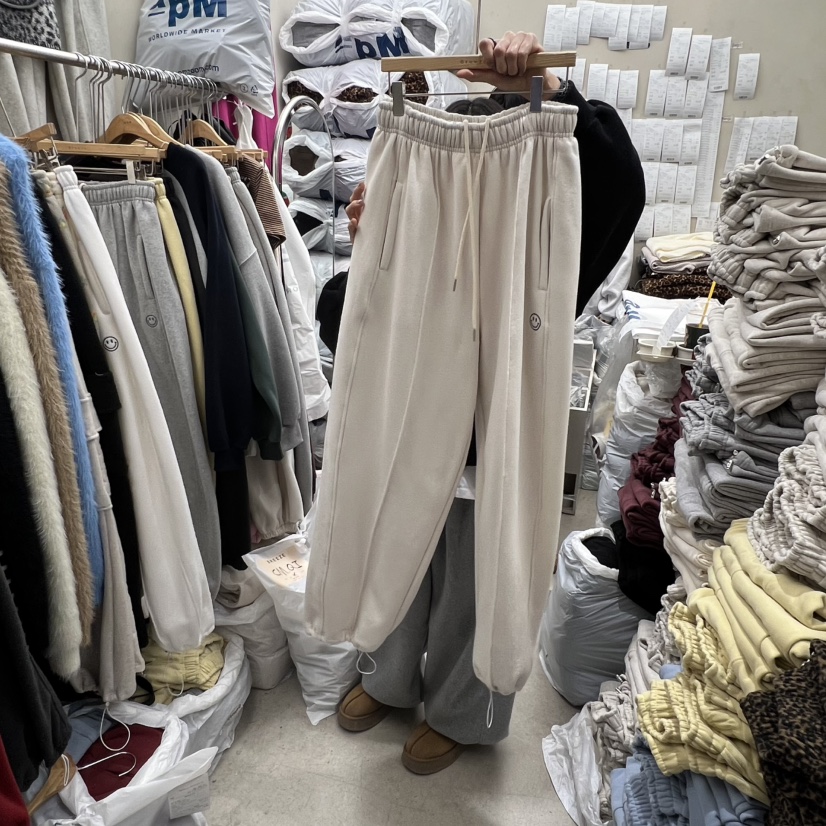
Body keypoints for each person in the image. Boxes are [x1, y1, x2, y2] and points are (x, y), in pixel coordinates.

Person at [316, 30, 645, 775]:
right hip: (408, 410)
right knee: (392, 538)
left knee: (479, 566)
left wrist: (550, 92)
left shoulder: (543, 224)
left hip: (493, 417)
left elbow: (621, 187)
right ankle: (384, 675)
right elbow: (341, 315)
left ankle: (467, 711)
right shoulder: (409, 193)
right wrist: (372, 253)